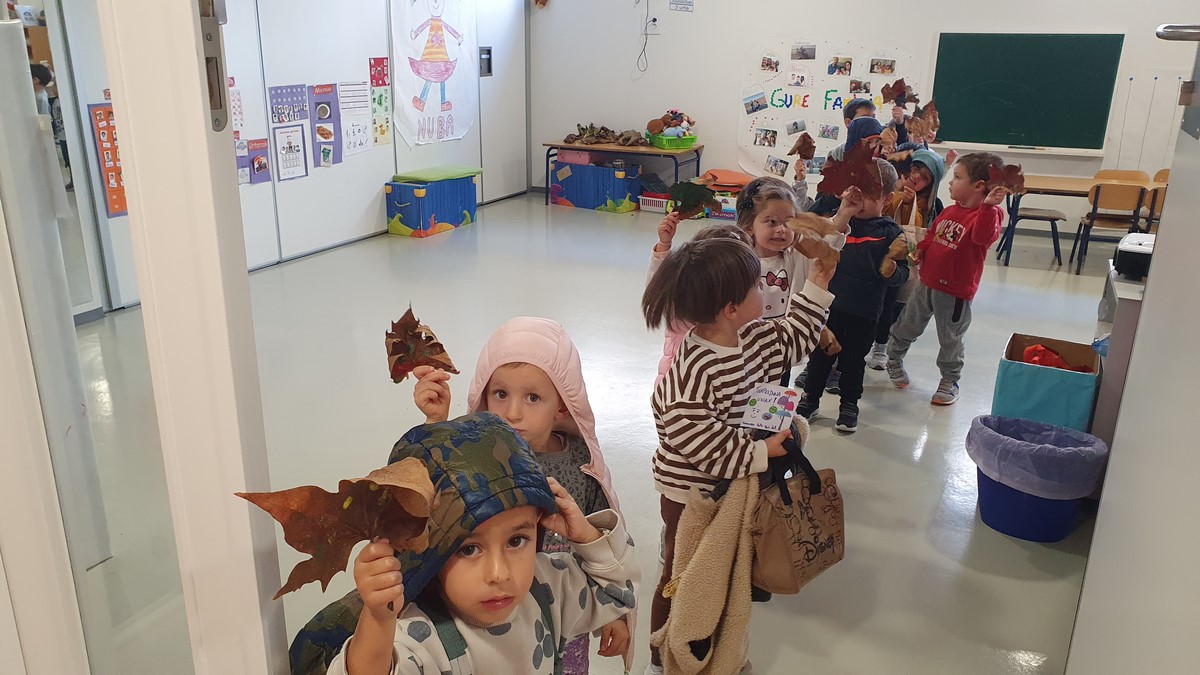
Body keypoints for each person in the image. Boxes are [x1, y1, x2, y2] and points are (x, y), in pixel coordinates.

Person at [641, 235, 835, 674]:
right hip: (690, 494)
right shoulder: (695, 367)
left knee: (725, 571)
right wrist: (759, 450)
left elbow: (793, 338)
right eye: (756, 286)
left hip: (734, 482)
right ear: (731, 307)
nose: (764, 289)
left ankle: (719, 650)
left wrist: (819, 282)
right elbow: (699, 440)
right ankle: (662, 659)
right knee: (682, 574)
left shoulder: (753, 335)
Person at [327, 413, 638, 675]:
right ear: (427, 551)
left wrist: (586, 535)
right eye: (468, 549)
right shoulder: (420, 636)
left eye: (516, 540)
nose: (499, 573)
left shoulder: (549, 589)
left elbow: (617, 592)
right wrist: (378, 618)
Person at [411, 317, 631, 674]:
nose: (513, 413)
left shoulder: (581, 464)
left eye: (533, 397)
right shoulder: (478, 457)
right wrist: (438, 425)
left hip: (564, 611)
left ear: (562, 405)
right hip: (492, 611)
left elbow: (601, 543)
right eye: (501, 394)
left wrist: (613, 613)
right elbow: (434, 495)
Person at [886, 152, 1008, 406]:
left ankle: (950, 379)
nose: (951, 182)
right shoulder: (950, 210)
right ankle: (893, 358)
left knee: (950, 338)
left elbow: (983, 237)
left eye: (957, 177)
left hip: (956, 291)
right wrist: (922, 249)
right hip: (927, 282)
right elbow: (933, 235)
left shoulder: (989, 214)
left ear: (979, 186)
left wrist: (987, 206)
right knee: (907, 325)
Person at [798, 160, 909, 433]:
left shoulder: (891, 233)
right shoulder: (840, 222)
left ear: (887, 199)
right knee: (819, 358)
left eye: (869, 195)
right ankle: (810, 399)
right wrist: (843, 213)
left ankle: (849, 404)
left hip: (865, 312)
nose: (860, 201)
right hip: (829, 307)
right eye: (857, 191)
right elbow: (818, 243)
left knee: (853, 361)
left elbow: (903, 275)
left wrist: (892, 271)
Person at [733, 176, 845, 385]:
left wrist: (845, 212)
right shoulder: (739, 260)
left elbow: (827, 245)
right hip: (745, 347)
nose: (782, 230)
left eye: (788, 223)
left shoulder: (794, 256)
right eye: (771, 222)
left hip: (780, 346)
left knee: (776, 393)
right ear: (749, 226)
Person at [649, 220, 754, 386]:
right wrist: (663, 246)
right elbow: (660, 287)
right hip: (680, 385)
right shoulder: (684, 302)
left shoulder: (744, 308)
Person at [869, 149, 947, 370]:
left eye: (925, 178)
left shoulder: (931, 204)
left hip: (904, 261)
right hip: (878, 252)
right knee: (876, 301)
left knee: (894, 304)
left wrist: (908, 205)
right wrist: (897, 198)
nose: (916, 178)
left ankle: (882, 345)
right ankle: (873, 341)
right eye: (915, 169)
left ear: (931, 184)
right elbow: (880, 213)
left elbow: (922, 229)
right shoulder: (890, 188)